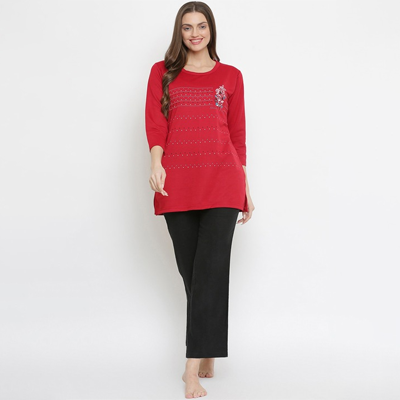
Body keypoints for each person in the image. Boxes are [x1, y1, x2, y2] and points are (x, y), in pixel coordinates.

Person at [144, 1, 255, 398]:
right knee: (191, 273)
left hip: (223, 182)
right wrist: (156, 163)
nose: (195, 33)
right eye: (187, 27)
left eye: (201, 26)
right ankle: (207, 347)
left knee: (210, 272)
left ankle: (190, 368)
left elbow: (237, 134)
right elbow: (156, 122)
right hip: (178, 182)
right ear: (180, 32)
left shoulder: (231, 76)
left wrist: (245, 185)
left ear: (211, 30)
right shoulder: (162, 72)